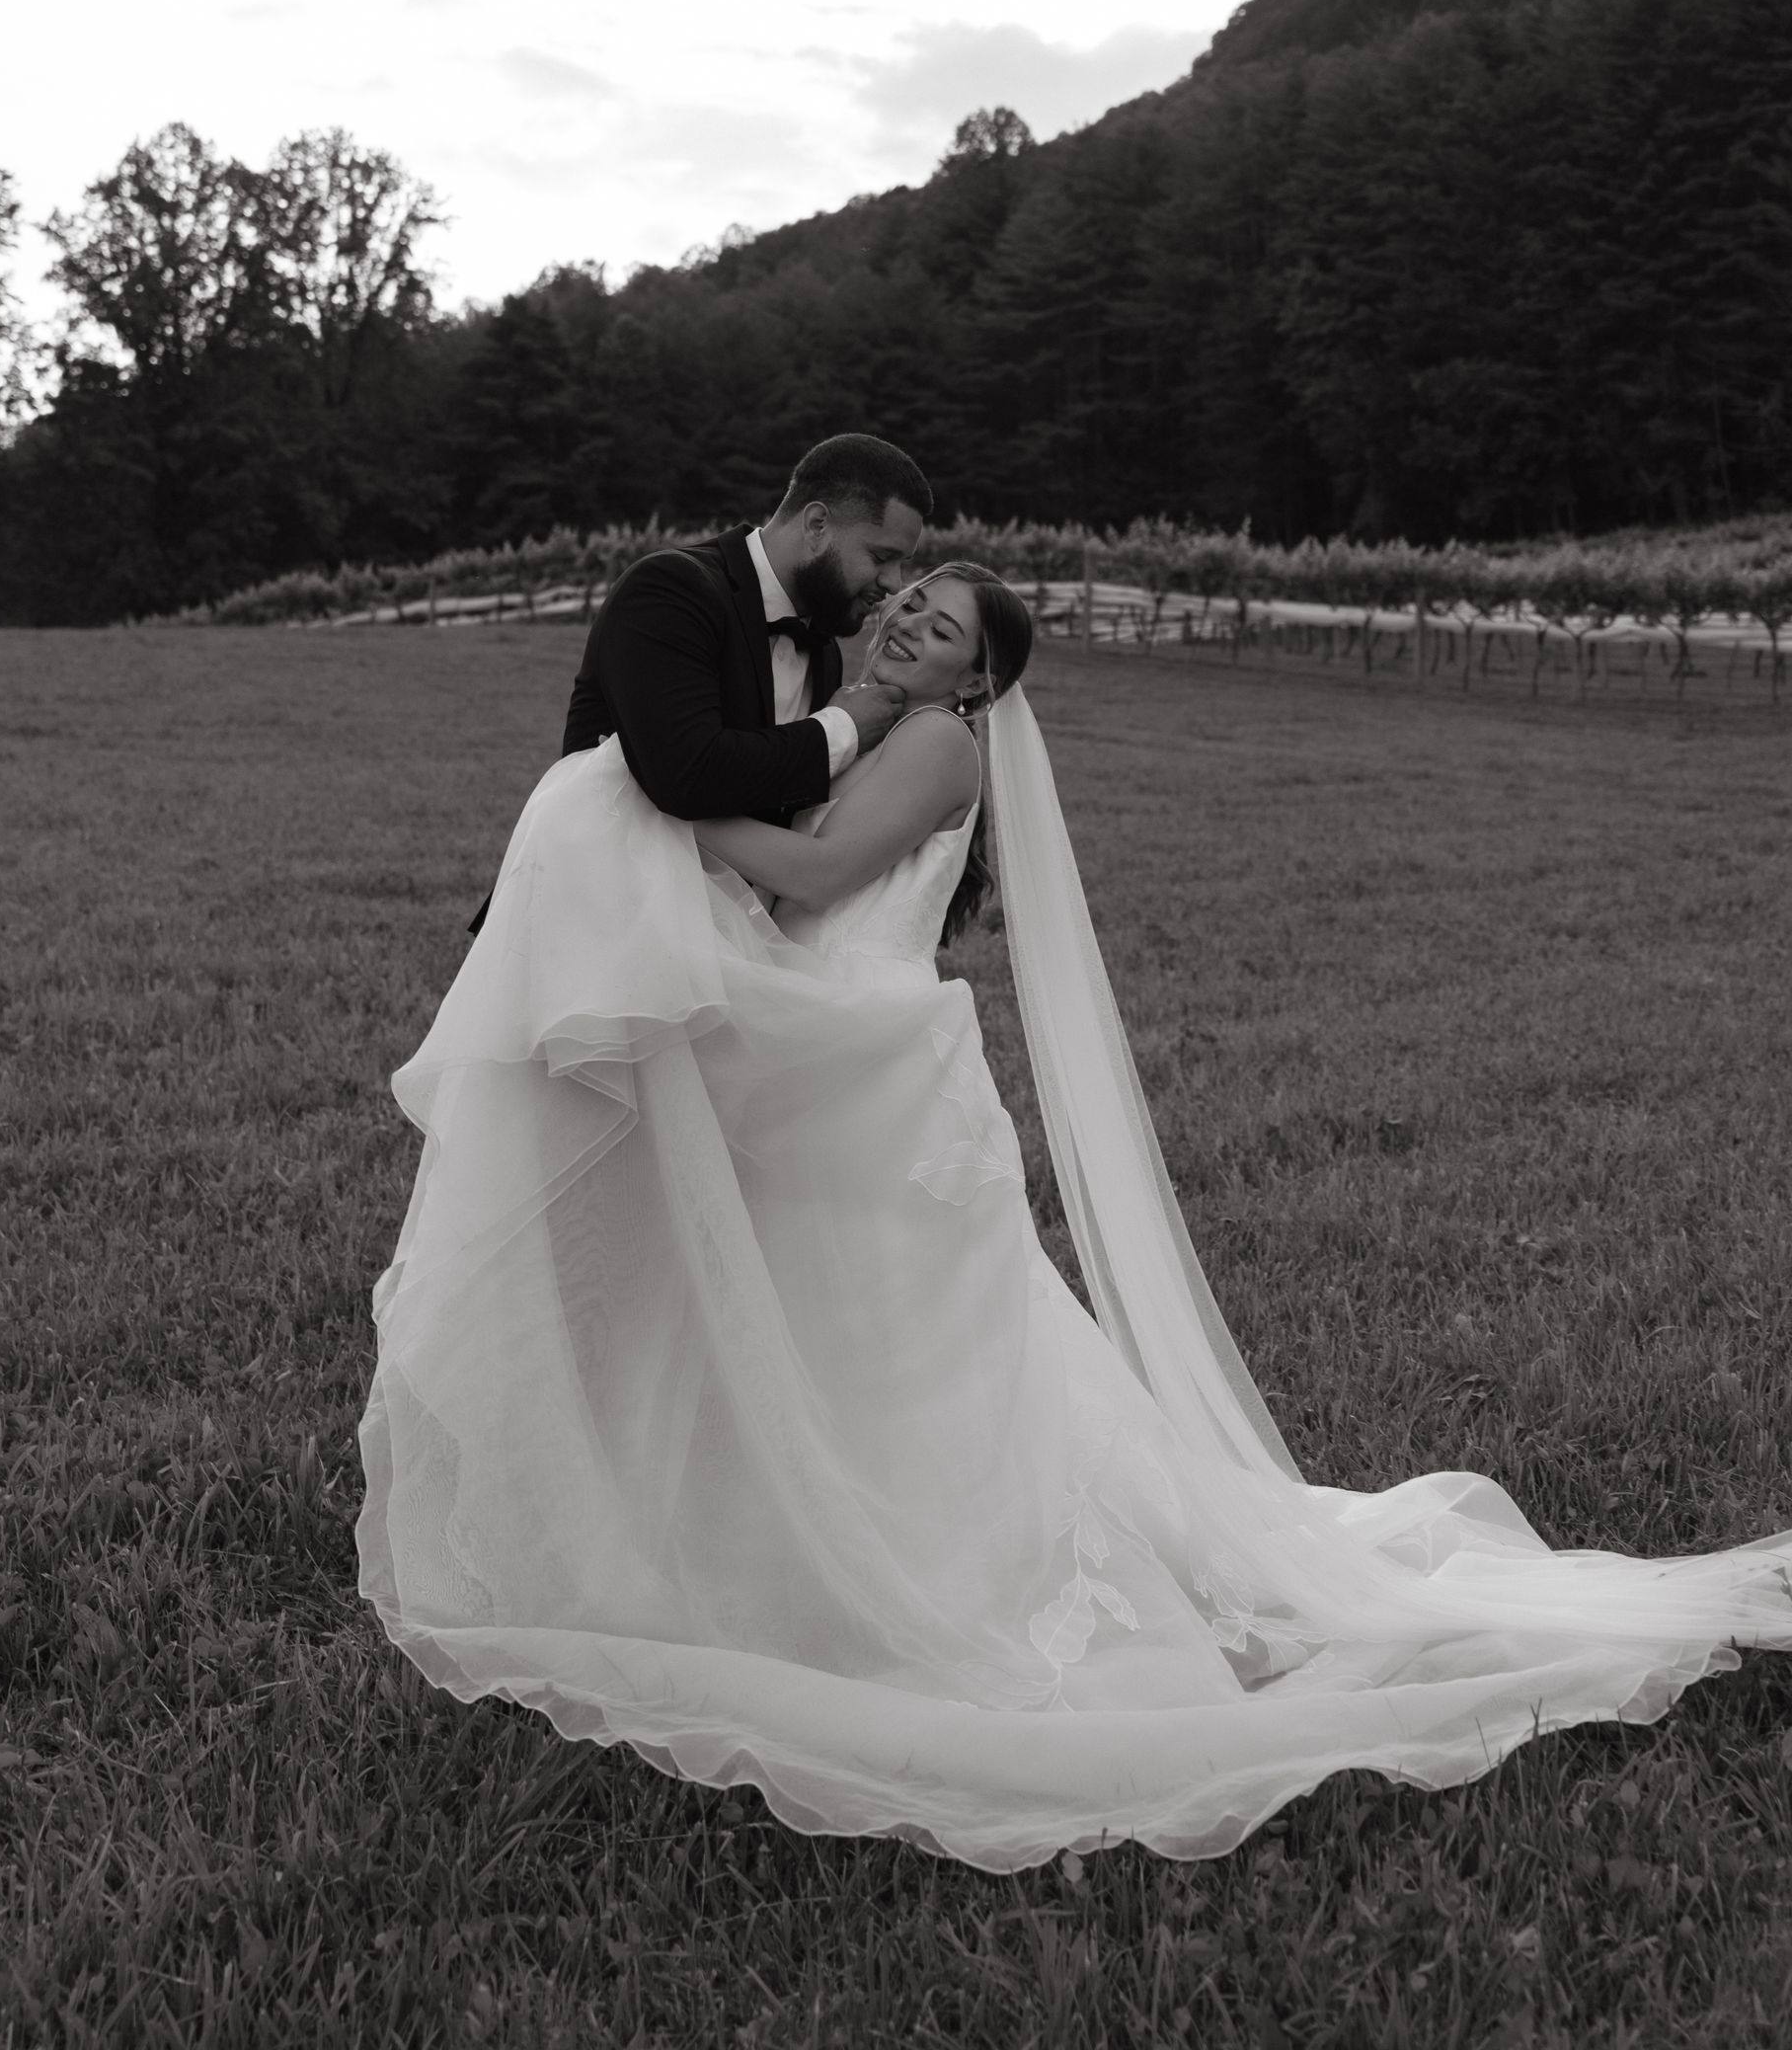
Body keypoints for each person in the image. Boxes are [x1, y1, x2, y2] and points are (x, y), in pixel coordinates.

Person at [357, 551, 1792, 1871]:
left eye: (947, 627)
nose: (914, 621)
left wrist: (630, 790)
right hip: (816, 1053)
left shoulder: (932, 745)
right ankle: (783, 1553)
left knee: (894, 1343)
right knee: (857, 1339)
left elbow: (803, 876)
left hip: (850, 1063)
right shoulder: (877, 718)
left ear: (978, 679)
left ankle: (910, 1580)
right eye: (910, 600)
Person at [465, 433, 928, 935]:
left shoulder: (823, 650)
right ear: (817, 524)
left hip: (722, 942)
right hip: (598, 924)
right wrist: (840, 729)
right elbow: (685, 773)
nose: (895, 583)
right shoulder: (670, 590)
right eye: (882, 556)